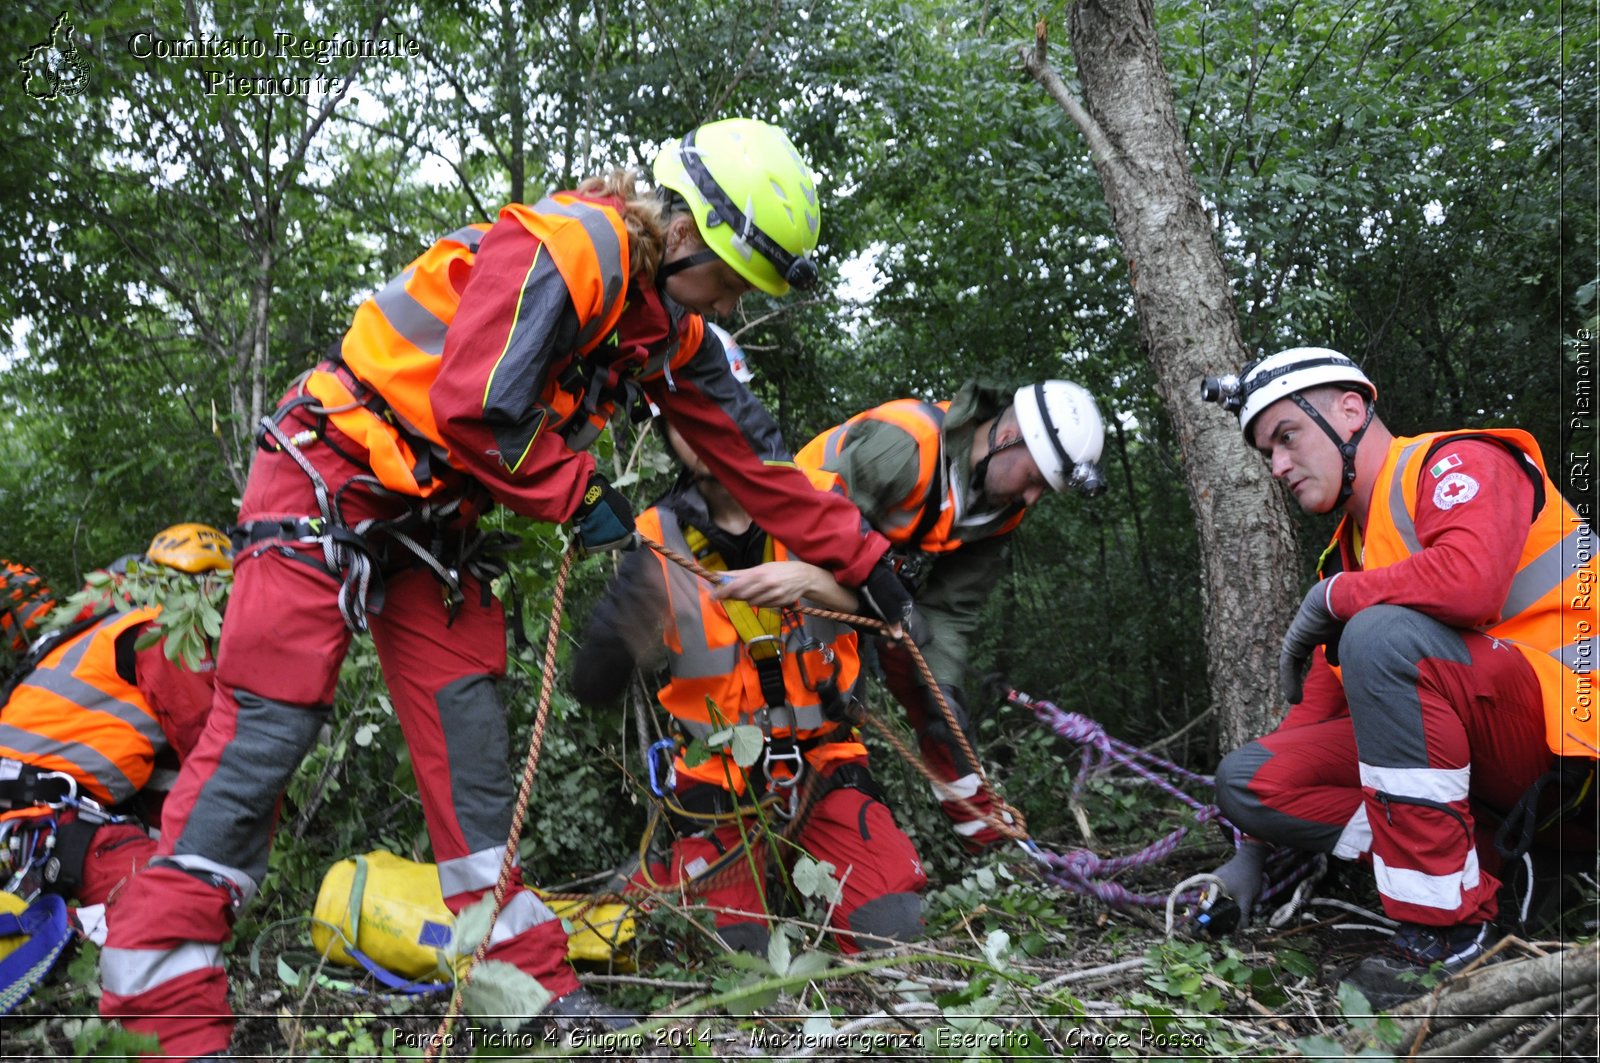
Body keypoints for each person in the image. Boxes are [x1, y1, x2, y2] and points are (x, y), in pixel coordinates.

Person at [99, 118, 915, 1060]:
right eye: (730, 280)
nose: (728, 305)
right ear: (685, 233)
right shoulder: (571, 246)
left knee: (472, 744)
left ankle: (528, 987)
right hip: (329, 475)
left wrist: (868, 565)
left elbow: (762, 472)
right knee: (269, 728)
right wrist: (581, 496)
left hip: (433, 527)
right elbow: (474, 407)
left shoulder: (664, 330)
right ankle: (160, 1005)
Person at [1202, 347, 1595, 1008]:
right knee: (1248, 779)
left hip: (1578, 747)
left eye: (1286, 437)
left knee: (1379, 633)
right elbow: (1318, 716)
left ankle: (1447, 933)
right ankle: (1494, 873)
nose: (1277, 465)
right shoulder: (1352, 554)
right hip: (1514, 787)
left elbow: (1468, 582)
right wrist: (1253, 846)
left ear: (1351, 410)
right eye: (1266, 452)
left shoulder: (1457, 462)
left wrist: (1333, 602)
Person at [571, 409, 927, 955]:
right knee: (737, 952)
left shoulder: (820, 500)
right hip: (721, 785)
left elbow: (903, 619)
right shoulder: (657, 537)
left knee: (891, 923)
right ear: (670, 436)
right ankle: (665, 880)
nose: (705, 433)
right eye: (686, 424)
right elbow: (592, 684)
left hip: (824, 768)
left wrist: (812, 581)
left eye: (712, 410)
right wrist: (623, 625)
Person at [719, 380, 1107, 852]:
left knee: (938, 697)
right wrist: (874, 590)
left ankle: (981, 831)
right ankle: (746, 812)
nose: (1030, 500)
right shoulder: (907, 445)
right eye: (1033, 480)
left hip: (861, 585)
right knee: (805, 699)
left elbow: (949, 609)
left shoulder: (999, 514)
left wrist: (939, 692)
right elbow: (812, 519)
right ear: (1010, 437)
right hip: (782, 553)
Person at [0, 525, 226, 908]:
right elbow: (208, 742)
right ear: (205, 587)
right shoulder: (161, 630)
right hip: (44, 820)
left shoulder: (88, 632)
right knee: (179, 903)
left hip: (27, 815)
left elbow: (173, 771)